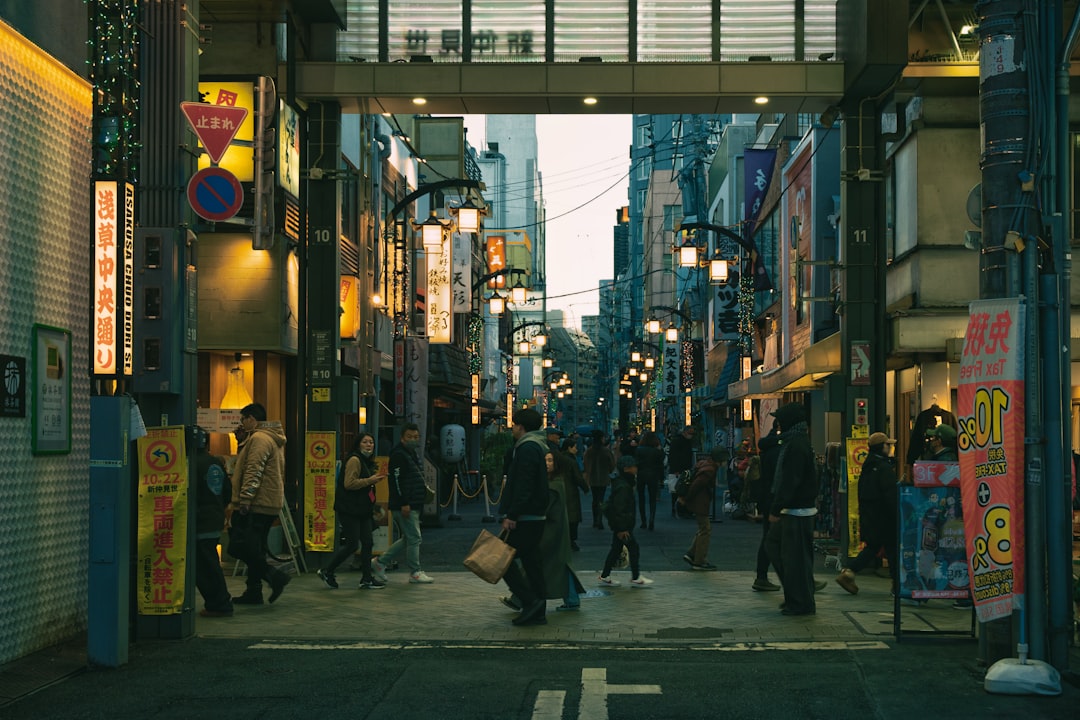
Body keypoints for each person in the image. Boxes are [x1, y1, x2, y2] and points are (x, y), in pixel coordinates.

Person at [502, 451, 587, 613]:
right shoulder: (554, 483)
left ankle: (520, 599)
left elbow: (544, 508)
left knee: (534, 566)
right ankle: (571, 599)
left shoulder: (552, 486)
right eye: (545, 460)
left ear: (556, 464)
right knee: (558, 566)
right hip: (554, 530)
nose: (547, 463)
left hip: (548, 530)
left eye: (550, 460)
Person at [229, 402, 291, 605]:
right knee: (256, 548)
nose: (241, 423)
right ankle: (254, 591)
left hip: (257, 503)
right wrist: (242, 441)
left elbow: (254, 469)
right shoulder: (264, 438)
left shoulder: (260, 438)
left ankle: (275, 576)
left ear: (252, 419)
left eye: (243, 419)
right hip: (266, 502)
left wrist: (246, 499)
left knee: (239, 547)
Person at [764, 402, 818, 616]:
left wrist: (776, 508)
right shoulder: (795, 441)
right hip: (796, 510)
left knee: (794, 559)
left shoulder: (795, 445)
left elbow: (790, 480)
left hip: (796, 511)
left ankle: (800, 602)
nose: (778, 424)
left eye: (780, 420)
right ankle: (798, 596)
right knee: (778, 549)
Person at [499, 408, 551, 626]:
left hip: (526, 515)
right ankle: (538, 610)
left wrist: (513, 513)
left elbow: (524, 483)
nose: (512, 429)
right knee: (532, 563)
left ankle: (530, 602)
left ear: (520, 426)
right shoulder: (536, 446)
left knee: (502, 558)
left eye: (513, 425)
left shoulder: (527, 448)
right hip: (534, 514)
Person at [318, 432, 386, 591]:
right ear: (358, 444)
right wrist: (371, 480)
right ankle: (327, 570)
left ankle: (367, 579)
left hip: (362, 509)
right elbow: (349, 483)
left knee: (368, 542)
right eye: (365, 442)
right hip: (350, 508)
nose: (369, 445)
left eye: (371, 442)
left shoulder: (365, 461)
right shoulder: (355, 460)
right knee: (352, 544)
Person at [836, 432, 899, 596]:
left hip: (871, 516)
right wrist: (897, 514)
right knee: (892, 549)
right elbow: (890, 495)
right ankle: (898, 585)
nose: (891, 448)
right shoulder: (884, 468)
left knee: (873, 547)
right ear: (882, 447)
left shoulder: (869, 465)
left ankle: (849, 572)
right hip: (884, 517)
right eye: (888, 445)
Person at [372, 423, 433, 584]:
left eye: (416, 437)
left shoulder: (411, 453)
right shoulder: (399, 455)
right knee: (414, 538)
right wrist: (404, 503)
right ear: (402, 438)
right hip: (405, 504)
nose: (413, 440)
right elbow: (396, 481)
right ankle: (415, 571)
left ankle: (380, 562)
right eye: (409, 437)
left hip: (413, 502)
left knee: (409, 538)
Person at [194, 427, 233, 617]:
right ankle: (219, 602)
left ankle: (219, 603)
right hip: (214, 518)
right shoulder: (214, 462)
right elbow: (227, 492)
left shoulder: (190, 463)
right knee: (210, 563)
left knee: (206, 566)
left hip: (199, 521)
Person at [598, 455, 654, 587]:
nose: (636, 468)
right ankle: (635, 576)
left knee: (616, 549)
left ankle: (606, 575)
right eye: (634, 466)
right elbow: (620, 509)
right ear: (627, 469)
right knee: (633, 548)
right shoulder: (624, 487)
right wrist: (622, 528)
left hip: (620, 525)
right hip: (622, 526)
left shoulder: (622, 483)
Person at [751, 420, 783, 592]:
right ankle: (796, 578)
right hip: (776, 501)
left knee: (770, 539)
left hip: (767, 500)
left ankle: (762, 576)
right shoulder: (779, 451)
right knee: (776, 541)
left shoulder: (768, 448)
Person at [680, 447, 723, 571]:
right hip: (700, 502)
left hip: (698, 501)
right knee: (705, 530)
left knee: (703, 529)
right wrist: (687, 498)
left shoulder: (704, 464)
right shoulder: (709, 470)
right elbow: (697, 485)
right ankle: (699, 560)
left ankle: (692, 553)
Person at [558, 438, 590, 550]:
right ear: (569, 448)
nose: (576, 449)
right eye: (575, 447)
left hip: (560, 490)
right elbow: (578, 477)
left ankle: (564, 539)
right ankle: (571, 540)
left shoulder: (559, 458)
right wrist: (585, 488)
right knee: (572, 517)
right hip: (570, 491)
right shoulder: (571, 461)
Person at [584, 430, 616, 530]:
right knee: (601, 499)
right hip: (603, 477)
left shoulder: (589, 451)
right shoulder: (606, 451)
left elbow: (585, 464)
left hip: (593, 478)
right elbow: (612, 464)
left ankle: (595, 520)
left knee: (595, 499)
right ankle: (600, 520)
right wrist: (609, 470)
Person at [634, 431, 665, 530]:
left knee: (641, 499)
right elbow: (661, 464)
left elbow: (636, 463)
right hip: (653, 475)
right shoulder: (656, 451)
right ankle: (651, 520)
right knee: (652, 499)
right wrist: (661, 478)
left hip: (641, 475)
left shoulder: (639, 450)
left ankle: (643, 521)